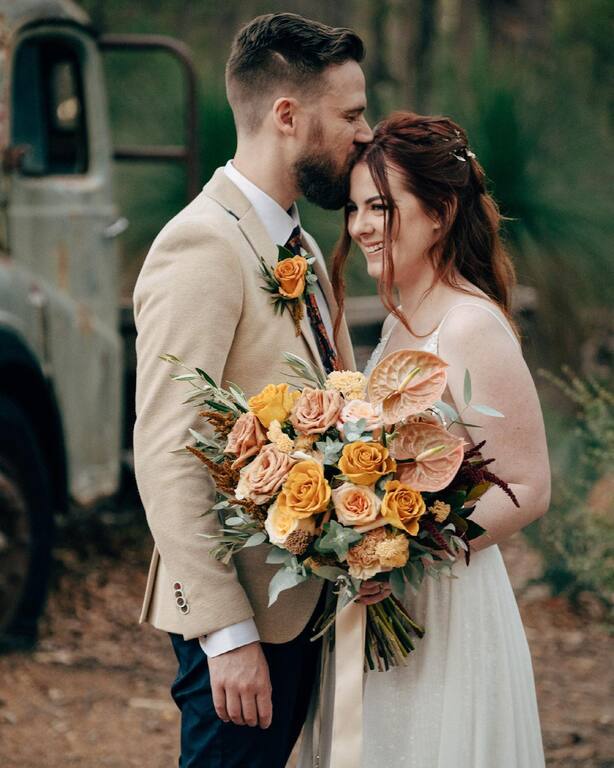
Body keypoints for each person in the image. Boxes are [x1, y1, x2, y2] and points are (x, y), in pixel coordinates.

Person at [132, 12, 372, 768]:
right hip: (242, 632)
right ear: (288, 116)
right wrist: (226, 633)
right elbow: (168, 449)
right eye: (353, 115)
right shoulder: (202, 243)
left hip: (304, 608)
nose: (365, 135)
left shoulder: (295, 241)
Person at [300, 112, 550, 767]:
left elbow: (528, 486)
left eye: (381, 206)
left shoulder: (469, 327)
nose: (360, 226)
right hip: (384, 606)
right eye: (354, 208)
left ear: (439, 211)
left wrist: (405, 548)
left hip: (446, 607)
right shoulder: (400, 322)